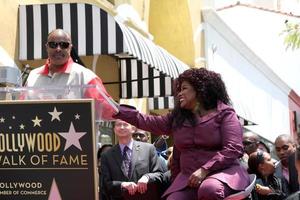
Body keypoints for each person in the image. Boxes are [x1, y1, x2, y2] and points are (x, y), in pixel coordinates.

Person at [113, 68, 250, 200]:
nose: (179, 93)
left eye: (184, 88)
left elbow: (233, 148)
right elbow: (145, 120)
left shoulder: (225, 114)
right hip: (189, 179)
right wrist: (115, 110)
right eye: (178, 90)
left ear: (200, 89)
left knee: (210, 189)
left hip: (223, 174)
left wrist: (205, 170)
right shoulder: (177, 118)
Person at [24, 29, 116, 119]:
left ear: (70, 48)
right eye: (53, 45)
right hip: (41, 133)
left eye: (64, 45)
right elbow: (20, 109)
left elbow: (109, 111)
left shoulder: (86, 76)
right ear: (47, 47)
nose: (58, 49)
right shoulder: (33, 76)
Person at [100, 119, 165, 200]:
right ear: (114, 130)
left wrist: (147, 177)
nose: (122, 127)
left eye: (125, 124)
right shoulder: (106, 155)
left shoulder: (148, 149)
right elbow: (105, 184)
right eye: (118, 125)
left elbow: (160, 175)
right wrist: (122, 185)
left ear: (133, 129)